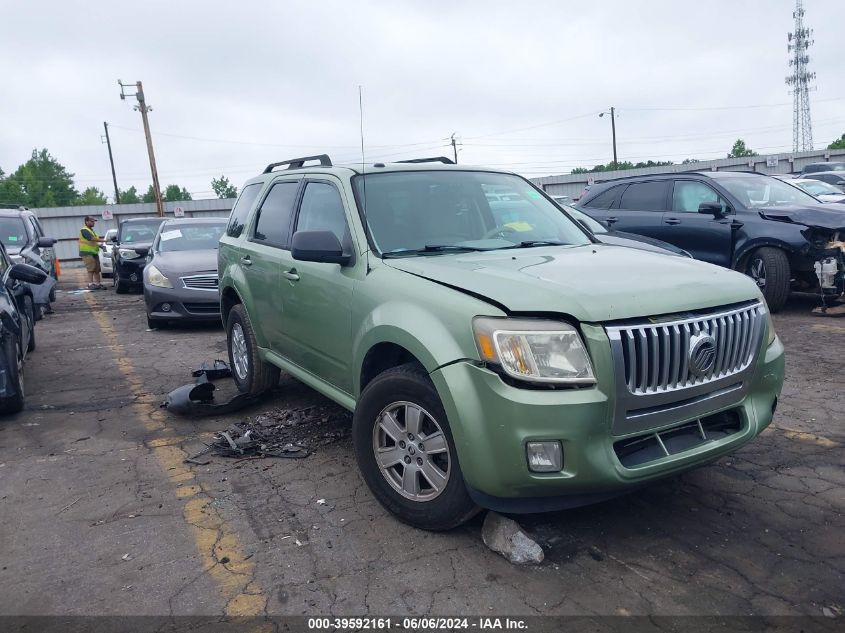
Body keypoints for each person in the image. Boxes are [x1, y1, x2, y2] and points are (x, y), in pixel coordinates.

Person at [79, 215, 106, 290]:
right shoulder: (84, 230)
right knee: (91, 268)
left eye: (94, 221)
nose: (93, 222)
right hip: (86, 252)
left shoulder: (92, 230)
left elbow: (93, 242)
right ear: (86, 221)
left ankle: (98, 284)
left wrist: (100, 245)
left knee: (97, 269)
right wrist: (104, 240)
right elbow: (91, 238)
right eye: (91, 221)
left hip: (93, 252)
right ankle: (90, 284)